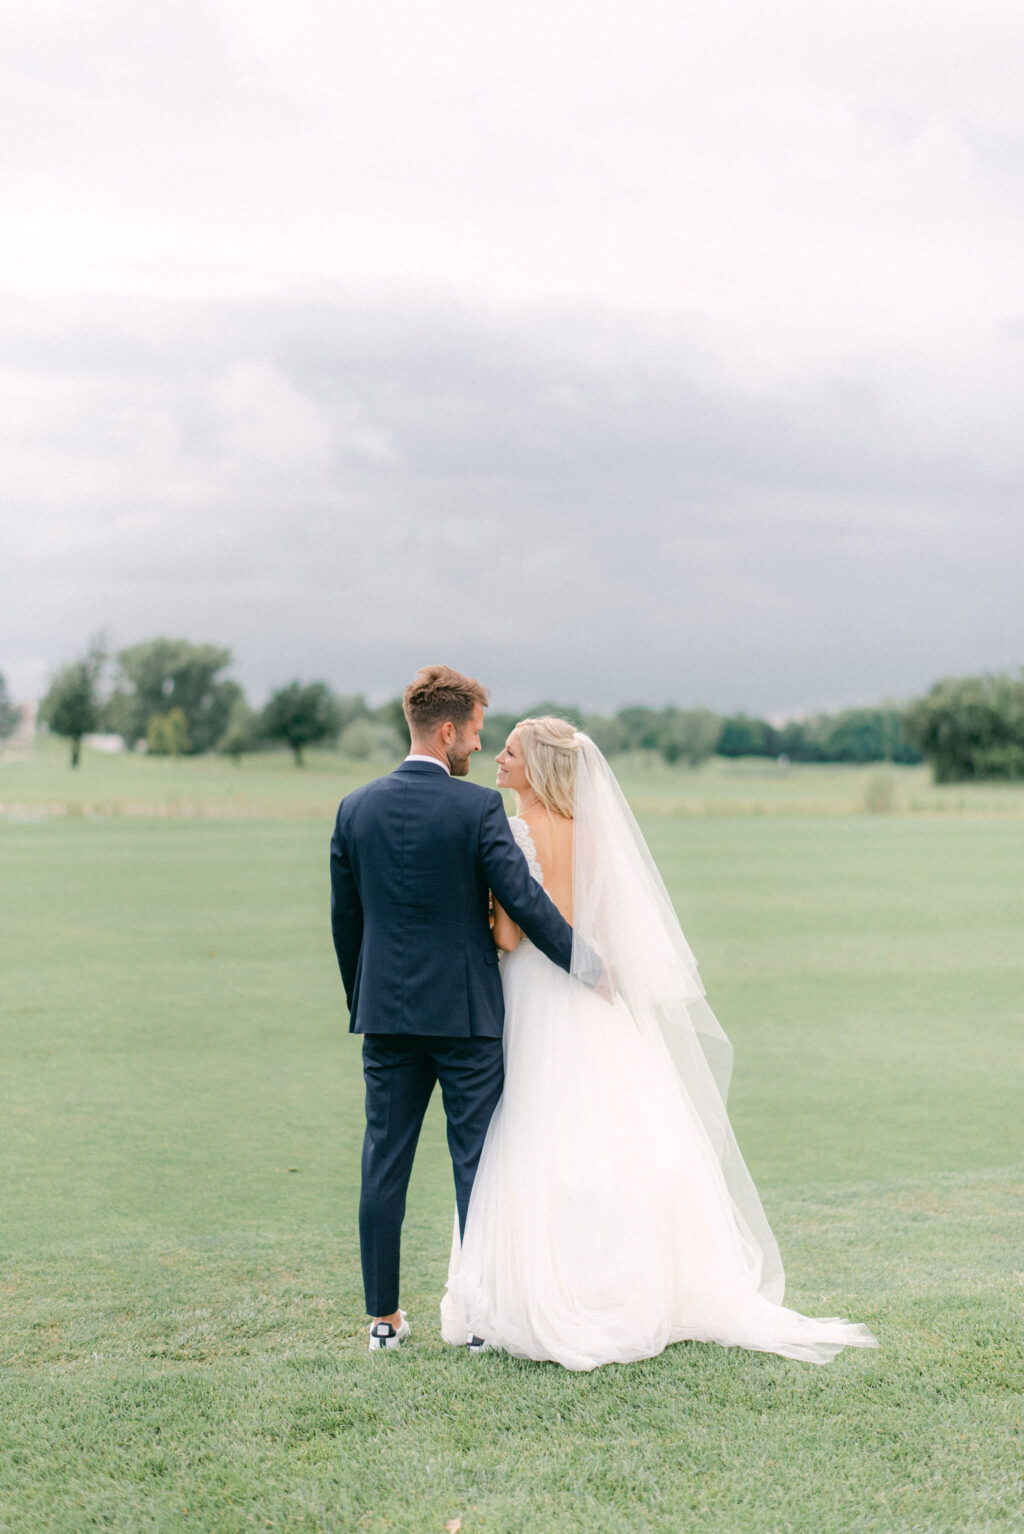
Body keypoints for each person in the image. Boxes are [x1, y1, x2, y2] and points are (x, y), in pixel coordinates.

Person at [441, 717, 878, 1370]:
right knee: (611, 1129)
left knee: (536, 1125)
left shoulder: (516, 830)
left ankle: (549, 1285)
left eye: (508, 753)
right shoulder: (592, 837)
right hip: (590, 990)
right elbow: (610, 932)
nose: (496, 760)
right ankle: (634, 1276)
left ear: (537, 767)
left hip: (534, 989)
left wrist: (482, 914)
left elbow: (510, 937)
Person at [330, 668, 602, 1352]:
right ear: (448, 730)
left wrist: (362, 999)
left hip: (386, 1016)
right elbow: (526, 903)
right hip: (469, 1016)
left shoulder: (353, 808)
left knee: (383, 1161)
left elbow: (347, 922)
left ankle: (384, 1320)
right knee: (478, 1164)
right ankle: (481, 1320)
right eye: (477, 732)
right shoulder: (476, 810)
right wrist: (588, 963)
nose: (479, 747)